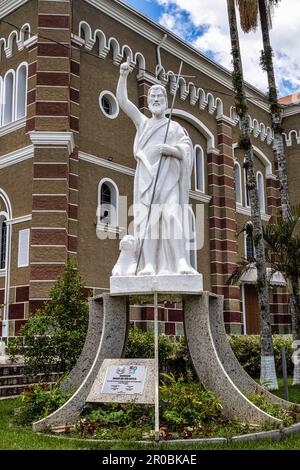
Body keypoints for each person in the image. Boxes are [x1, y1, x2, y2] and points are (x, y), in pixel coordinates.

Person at [116, 60, 195, 276]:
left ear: (166, 101)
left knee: (171, 216)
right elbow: (123, 102)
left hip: (168, 181)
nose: (156, 100)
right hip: (146, 179)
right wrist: (123, 75)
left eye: (160, 97)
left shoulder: (175, 127)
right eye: (153, 97)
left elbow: (186, 150)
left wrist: (172, 151)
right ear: (149, 102)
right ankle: (149, 264)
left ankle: (180, 262)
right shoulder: (143, 122)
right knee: (148, 222)